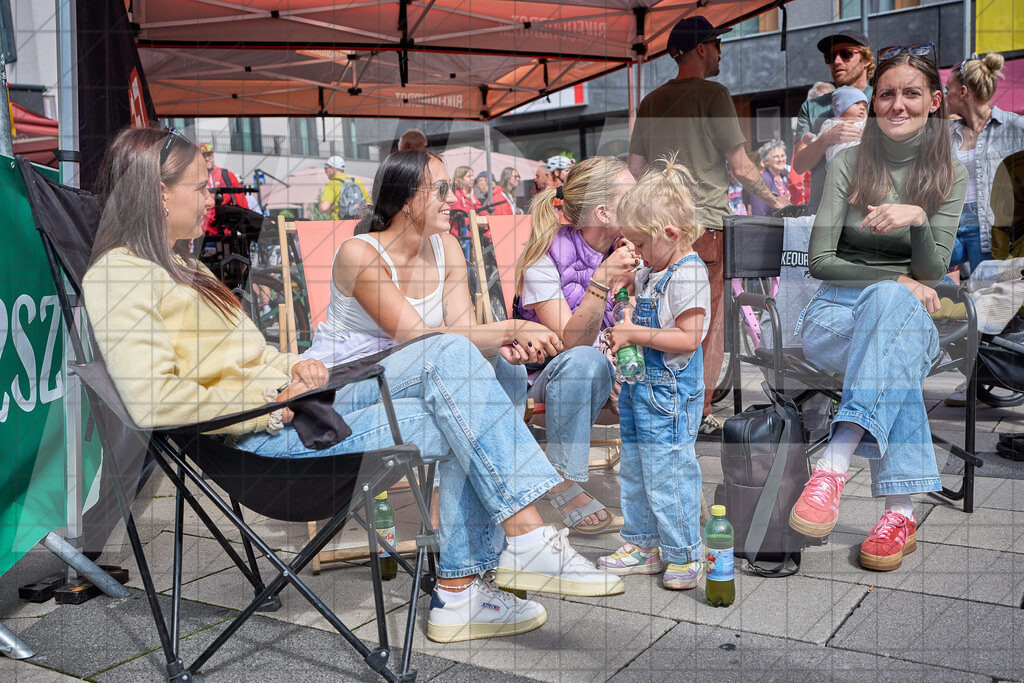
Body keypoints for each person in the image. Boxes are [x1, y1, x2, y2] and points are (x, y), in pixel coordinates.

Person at [83, 129, 625, 647]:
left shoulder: (181, 267)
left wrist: (297, 366)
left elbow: (248, 359)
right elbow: (152, 399)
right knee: (457, 376)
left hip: (303, 404)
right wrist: (266, 404)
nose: (212, 198)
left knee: (467, 392)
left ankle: (468, 589)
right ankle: (517, 545)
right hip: (264, 439)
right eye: (201, 186)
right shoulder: (118, 276)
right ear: (159, 192)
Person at [789, 48, 967, 572]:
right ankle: (900, 513)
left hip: (907, 316)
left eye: (911, 93)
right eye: (887, 93)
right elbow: (820, 261)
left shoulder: (950, 174)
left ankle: (833, 464)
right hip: (833, 315)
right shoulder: (848, 162)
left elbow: (932, 273)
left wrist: (918, 220)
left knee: (893, 318)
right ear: (874, 101)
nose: (897, 104)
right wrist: (896, 280)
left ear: (934, 102)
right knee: (896, 346)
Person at [628, 14, 788, 437]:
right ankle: (697, 412)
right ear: (701, 48)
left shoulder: (651, 101)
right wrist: (778, 201)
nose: (721, 53)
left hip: (657, 231)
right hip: (704, 230)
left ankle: (662, 400)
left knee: (660, 316)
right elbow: (741, 165)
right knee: (707, 323)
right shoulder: (714, 95)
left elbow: (636, 168)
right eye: (718, 45)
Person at [596, 155, 709, 591]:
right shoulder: (655, 268)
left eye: (642, 245)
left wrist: (635, 334)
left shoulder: (688, 274)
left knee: (669, 472)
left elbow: (689, 338)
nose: (638, 254)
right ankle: (643, 544)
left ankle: (684, 553)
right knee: (636, 470)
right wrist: (631, 287)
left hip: (669, 397)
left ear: (671, 234)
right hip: (640, 390)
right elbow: (644, 288)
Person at [514, 156, 639, 534]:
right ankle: (563, 482)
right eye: (631, 197)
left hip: (619, 369)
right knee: (585, 360)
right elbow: (569, 344)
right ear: (603, 213)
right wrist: (601, 280)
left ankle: (665, 475)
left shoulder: (632, 248)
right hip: (550, 376)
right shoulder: (543, 256)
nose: (642, 202)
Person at [944, 52, 1024, 273]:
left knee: (984, 290)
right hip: (952, 227)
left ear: (963, 92)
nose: (945, 95)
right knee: (926, 275)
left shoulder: (1013, 126)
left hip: (988, 229)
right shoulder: (949, 133)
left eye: (948, 90)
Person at [792, 30, 875, 212]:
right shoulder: (811, 106)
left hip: (868, 210)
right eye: (830, 57)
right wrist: (825, 139)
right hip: (822, 211)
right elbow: (799, 166)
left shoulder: (882, 99)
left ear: (866, 60)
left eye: (846, 54)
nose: (837, 61)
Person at [803, 86, 868, 166]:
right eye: (857, 103)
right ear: (841, 106)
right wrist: (811, 139)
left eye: (865, 105)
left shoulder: (864, 123)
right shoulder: (829, 123)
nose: (862, 108)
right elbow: (820, 139)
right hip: (835, 162)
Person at [318, 155, 370, 220]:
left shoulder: (331, 184)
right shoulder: (357, 182)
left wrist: (323, 207)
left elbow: (324, 207)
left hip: (340, 223)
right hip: (358, 223)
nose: (325, 171)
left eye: (326, 168)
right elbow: (369, 204)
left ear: (333, 168)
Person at [748, 140, 792, 216]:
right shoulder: (763, 180)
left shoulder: (784, 177)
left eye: (783, 156)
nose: (781, 160)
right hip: (770, 222)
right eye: (776, 157)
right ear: (766, 161)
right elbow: (759, 212)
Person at [200, 143, 249, 209]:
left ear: (213, 156)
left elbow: (241, 201)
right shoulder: (195, 178)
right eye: (203, 156)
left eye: (209, 155)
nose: (207, 158)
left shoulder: (227, 175)